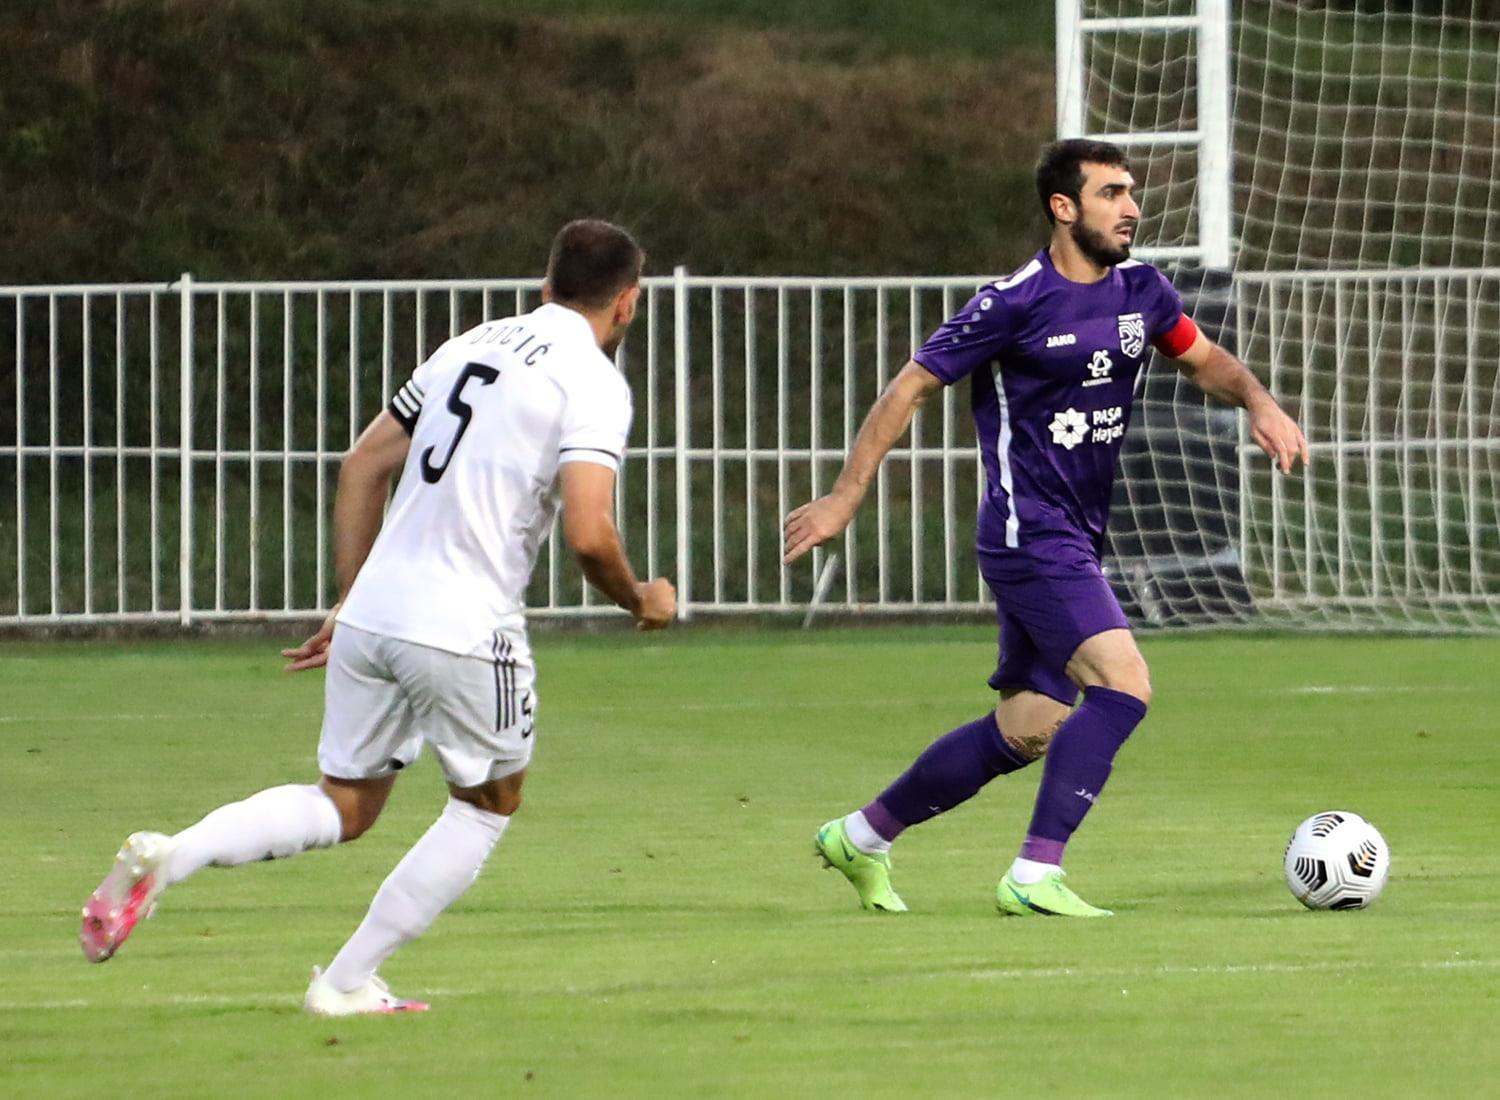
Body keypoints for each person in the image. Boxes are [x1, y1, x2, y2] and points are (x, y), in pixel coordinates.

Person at [79, 219, 676, 1011]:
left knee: (345, 803)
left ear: (545, 286)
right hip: (465, 625)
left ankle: (174, 853)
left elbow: (363, 464)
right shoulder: (592, 381)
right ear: (627, 303)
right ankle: (345, 982)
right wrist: (642, 598)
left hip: (376, 611)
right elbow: (591, 535)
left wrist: (350, 599)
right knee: (487, 806)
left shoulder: (468, 344)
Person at [785, 139, 1308, 918]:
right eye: (1111, 194)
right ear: (1063, 208)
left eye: (1131, 191)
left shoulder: (1143, 291)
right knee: (1124, 685)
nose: (1131, 208)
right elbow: (910, 388)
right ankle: (1034, 876)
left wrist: (1261, 403)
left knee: (1032, 725)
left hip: (1077, 532)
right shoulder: (1013, 303)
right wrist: (842, 498)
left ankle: (860, 837)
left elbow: (1204, 361)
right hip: (1027, 530)